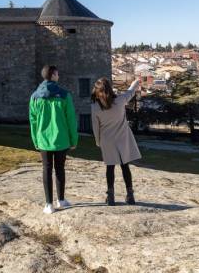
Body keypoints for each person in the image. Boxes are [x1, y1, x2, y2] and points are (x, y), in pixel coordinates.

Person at [29, 65, 79, 214]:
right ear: (53, 75)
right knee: (60, 169)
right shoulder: (64, 95)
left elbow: (33, 120)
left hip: (43, 139)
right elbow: (71, 119)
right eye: (57, 74)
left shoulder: (35, 96)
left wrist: (35, 140)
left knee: (46, 169)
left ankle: (49, 204)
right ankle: (61, 200)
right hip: (61, 139)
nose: (59, 76)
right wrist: (73, 139)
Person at [91, 77, 142, 206]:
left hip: (107, 140)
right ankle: (130, 196)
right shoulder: (119, 101)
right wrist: (135, 83)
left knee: (110, 167)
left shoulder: (95, 107)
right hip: (122, 138)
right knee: (125, 166)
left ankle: (111, 196)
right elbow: (130, 92)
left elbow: (95, 127)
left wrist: (98, 141)